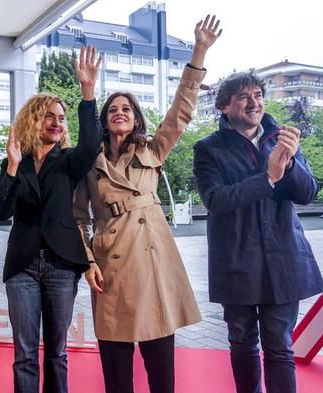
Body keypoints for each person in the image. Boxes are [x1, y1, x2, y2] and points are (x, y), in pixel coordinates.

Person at [73, 17, 221, 393]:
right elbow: (78, 216)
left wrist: (199, 50)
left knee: (161, 372)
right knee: (118, 375)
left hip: (153, 264)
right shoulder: (88, 162)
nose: (119, 112)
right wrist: (87, 262)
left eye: (127, 108)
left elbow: (182, 110)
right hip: (111, 267)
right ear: (104, 122)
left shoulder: (153, 150)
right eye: (112, 110)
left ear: (137, 118)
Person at [192, 68, 323, 391]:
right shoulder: (208, 148)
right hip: (237, 261)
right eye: (243, 97)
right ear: (225, 106)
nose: (253, 103)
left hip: (284, 259)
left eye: (258, 96)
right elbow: (216, 200)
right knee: (242, 343)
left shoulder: (283, 138)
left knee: (280, 346)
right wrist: (267, 177)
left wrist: (290, 163)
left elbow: (307, 193)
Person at [0, 46, 102, 393]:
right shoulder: (15, 161)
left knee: (56, 352)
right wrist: (10, 168)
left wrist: (88, 94)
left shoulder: (69, 160)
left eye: (61, 118)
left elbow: (91, 143)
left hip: (61, 264)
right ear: (32, 119)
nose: (57, 123)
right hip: (22, 264)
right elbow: (0, 212)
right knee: (24, 353)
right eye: (49, 116)